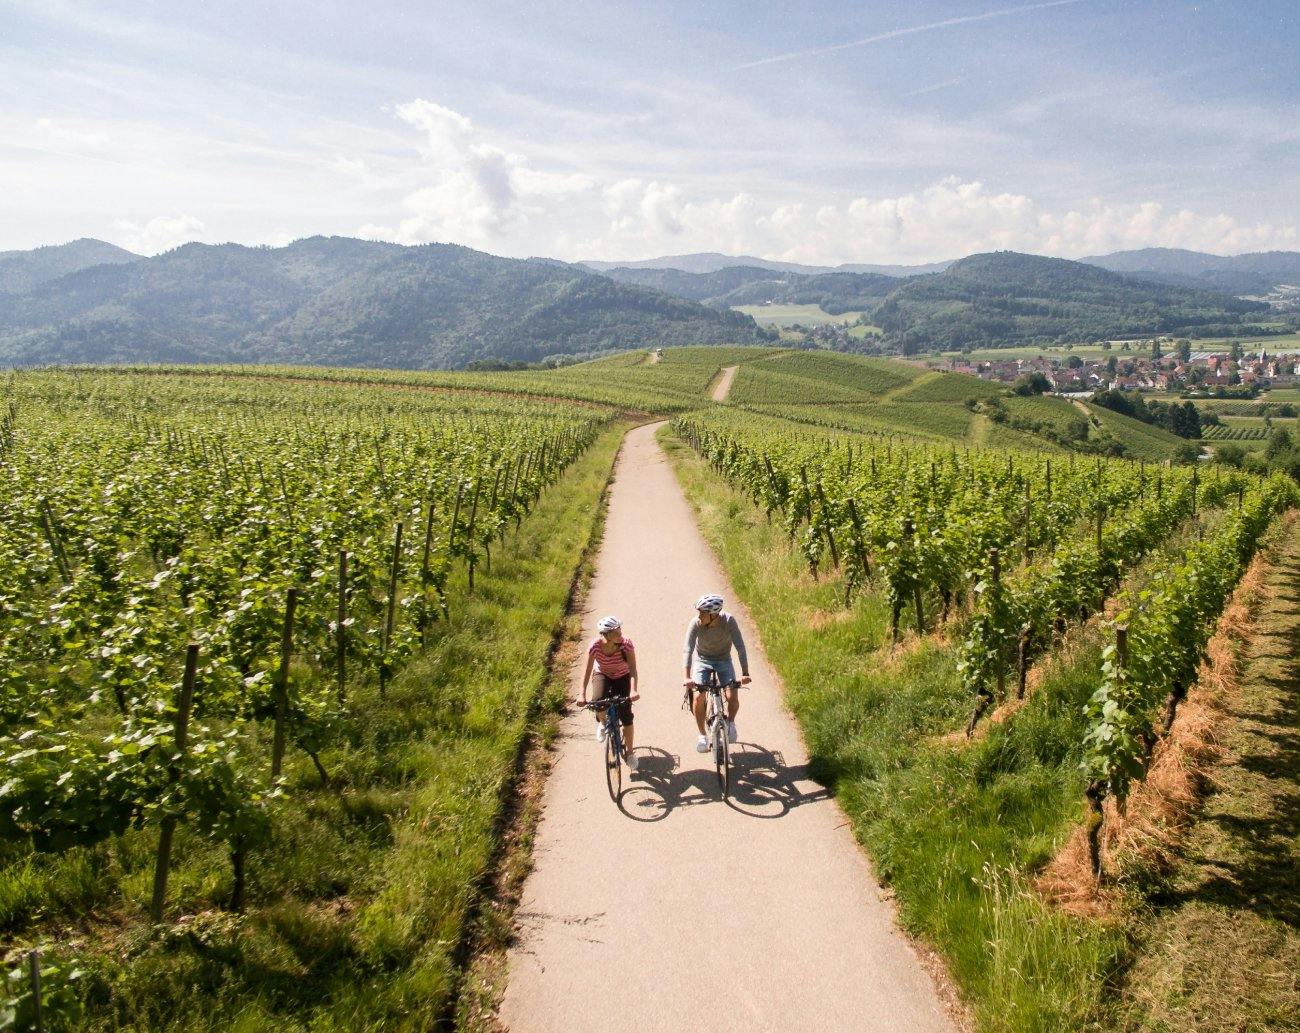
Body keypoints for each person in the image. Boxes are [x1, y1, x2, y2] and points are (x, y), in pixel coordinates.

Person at [682, 593, 751, 753]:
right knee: (699, 697)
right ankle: (702, 736)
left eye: (702, 613)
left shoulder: (728, 621)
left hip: (724, 660)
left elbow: (740, 647)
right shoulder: (696, 623)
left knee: (731, 695)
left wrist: (745, 673)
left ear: (713, 614)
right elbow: (688, 649)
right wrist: (686, 677)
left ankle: (731, 723)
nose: (699, 616)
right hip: (702, 660)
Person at [580, 615, 640, 772]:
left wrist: (633, 690)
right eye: (616, 632)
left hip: (622, 676)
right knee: (598, 701)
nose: (620, 634)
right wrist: (582, 694)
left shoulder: (625, 644)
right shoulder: (594, 646)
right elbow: (587, 671)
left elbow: (633, 669)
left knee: (626, 713)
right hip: (603, 674)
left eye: (620, 630)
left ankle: (630, 752)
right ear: (606, 635)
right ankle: (602, 723)